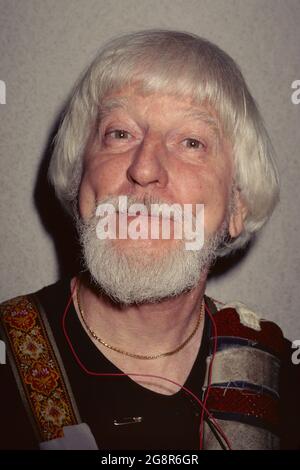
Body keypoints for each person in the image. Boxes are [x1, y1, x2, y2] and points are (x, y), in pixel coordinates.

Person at [0, 29, 299, 451]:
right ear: (79, 177)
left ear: (237, 205)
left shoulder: (279, 374)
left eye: (191, 142)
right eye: (119, 133)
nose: (143, 168)